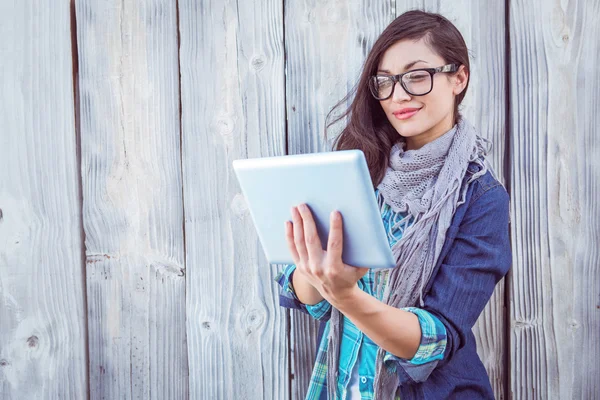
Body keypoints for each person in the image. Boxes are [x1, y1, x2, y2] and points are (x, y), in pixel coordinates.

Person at [274, 9, 511, 400]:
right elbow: (303, 296)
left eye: (417, 76)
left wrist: (346, 294)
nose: (398, 95)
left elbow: (436, 340)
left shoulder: (482, 198)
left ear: (459, 78)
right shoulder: (358, 167)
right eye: (385, 81)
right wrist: (314, 271)